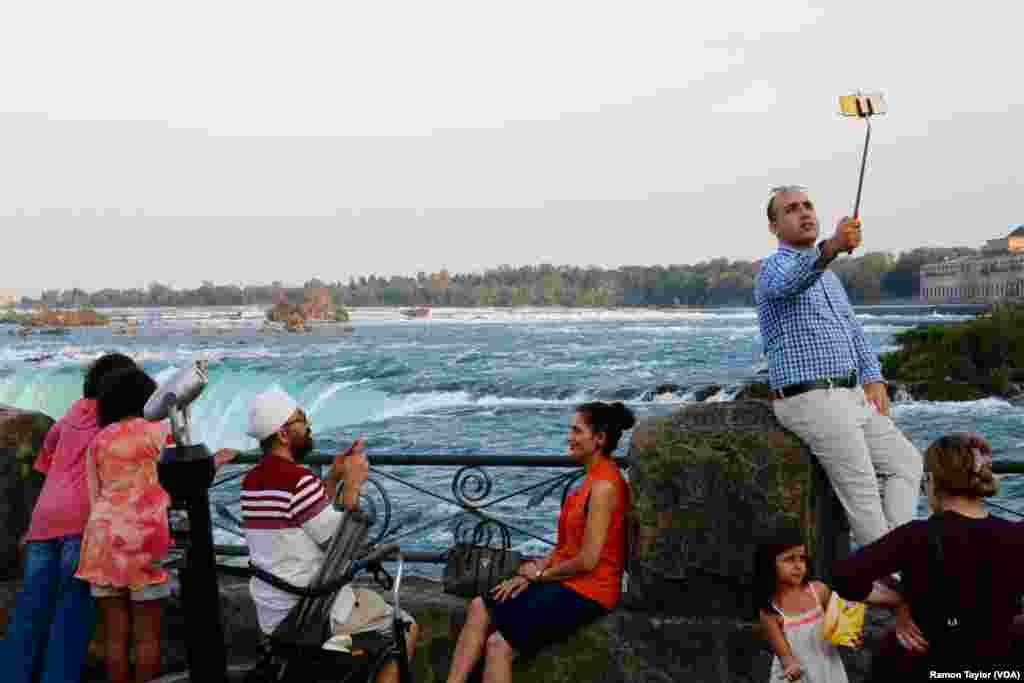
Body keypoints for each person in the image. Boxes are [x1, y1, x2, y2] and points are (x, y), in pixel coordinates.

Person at [755, 186, 922, 548]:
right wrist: (830, 247)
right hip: (810, 399)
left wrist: (873, 376)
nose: (804, 213)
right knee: (863, 494)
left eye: (808, 205)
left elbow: (852, 330)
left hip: (849, 395)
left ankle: (893, 560)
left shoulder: (829, 277)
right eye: (791, 210)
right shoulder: (771, 269)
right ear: (774, 226)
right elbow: (792, 282)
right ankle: (896, 573)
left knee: (906, 463)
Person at [446, 401, 635, 683]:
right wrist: (534, 572)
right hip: (566, 581)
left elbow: (588, 560)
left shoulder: (604, 486)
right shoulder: (588, 481)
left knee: (499, 645)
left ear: (599, 439)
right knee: (479, 606)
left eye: (576, 431)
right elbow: (565, 548)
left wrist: (540, 576)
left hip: (591, 591)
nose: (569, 438)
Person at [240, 388, 417, 683]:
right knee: (406, 628)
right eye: (303, 420)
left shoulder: (252, 481)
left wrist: (332, 479)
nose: (309, 427)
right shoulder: (297, 480)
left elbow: (303, 520)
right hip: (311, 615)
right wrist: (353, 485)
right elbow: (344, 547)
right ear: (284, 434)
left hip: (274, 613)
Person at [73, 366, 237, 683]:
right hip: (144, 541)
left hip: (103, 540)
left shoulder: (98, 440)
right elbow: (184, 474)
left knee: (115, 638)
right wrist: (217, 460)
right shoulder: (159, 432)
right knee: (147, 637)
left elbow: (95, 495)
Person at [831, 433, 1024, 676]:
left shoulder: (915, 536)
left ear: (930, 481)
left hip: (929, 662)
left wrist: (898, 601)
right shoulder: (1016, 535)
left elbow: (844, 576)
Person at [1, 353, 137, 683]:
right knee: (71, 616)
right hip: (82, 527)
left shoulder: (69, 417)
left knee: (29, 613)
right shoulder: (116, 422)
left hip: (43, 523)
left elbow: (45, 464)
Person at [755, 527, 901, 683]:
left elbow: (840, 619)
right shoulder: (770, 612)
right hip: (796, 676)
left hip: (828, 669)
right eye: (789, 559)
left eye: (802, 558)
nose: (798, 566)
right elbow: (784, 655)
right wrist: (790, 665)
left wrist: (848, 631)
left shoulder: (818, 590)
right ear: (769, 563)